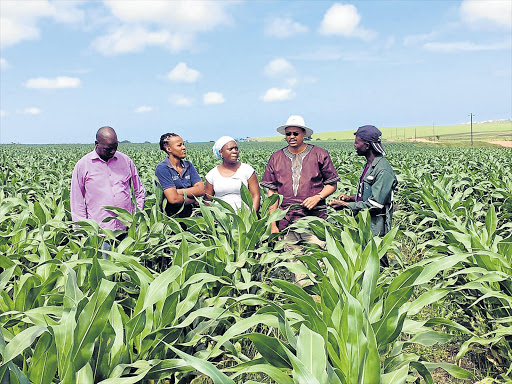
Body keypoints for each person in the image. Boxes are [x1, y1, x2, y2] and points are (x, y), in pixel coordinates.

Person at [261, 115, 340, 251]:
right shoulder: (276, 157)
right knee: (294, 263)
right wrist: (273, 224)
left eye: (295, 133)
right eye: (288, 134)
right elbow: (272, 193)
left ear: (304, 134)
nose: (291, 136)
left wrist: (318, 197)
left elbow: (332, 184)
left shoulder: (320, 154)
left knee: (316, 261)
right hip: (287, 221)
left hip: (313, 220)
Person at [329, 125, 397, 265]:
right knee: (363, 259)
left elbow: (375, 204)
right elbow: (369, 194)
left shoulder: (382, 170)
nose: (354, 145)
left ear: (367, 145)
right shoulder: (370, 165)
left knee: (375, 260)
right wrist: (351, 198)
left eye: (357, 142)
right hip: (365, 222)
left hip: (375, 225)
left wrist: (346, 206)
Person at [71, 126, 146, 231]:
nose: (112, 151)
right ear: (96, 143)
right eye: (108, 149)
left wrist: (136, 217)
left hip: (126, 228)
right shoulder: (83, 165)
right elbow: (77, 201)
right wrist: (81, 230)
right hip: (99, 231)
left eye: (115, 147)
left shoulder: (126, 161)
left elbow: (139, 191)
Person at [155, 133, 204, 218]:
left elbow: (201, 189)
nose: (184, 147)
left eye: (183, 144)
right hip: (172, 218)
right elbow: (173, 199)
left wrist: (177, 192)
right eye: (179, 145)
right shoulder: (162, 168)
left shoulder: (189, 165)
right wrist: (193, 200)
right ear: (169, 149)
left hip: (191, 216)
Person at [205, 136, 260, 212]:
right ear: (221, 152)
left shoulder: (247, 170)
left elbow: (255, 195)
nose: (235, 151)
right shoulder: (212, 175)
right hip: (222, 218)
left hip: (244, 217)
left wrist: (250, 217)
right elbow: (208, 200)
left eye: (236, 148)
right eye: (230, 149)